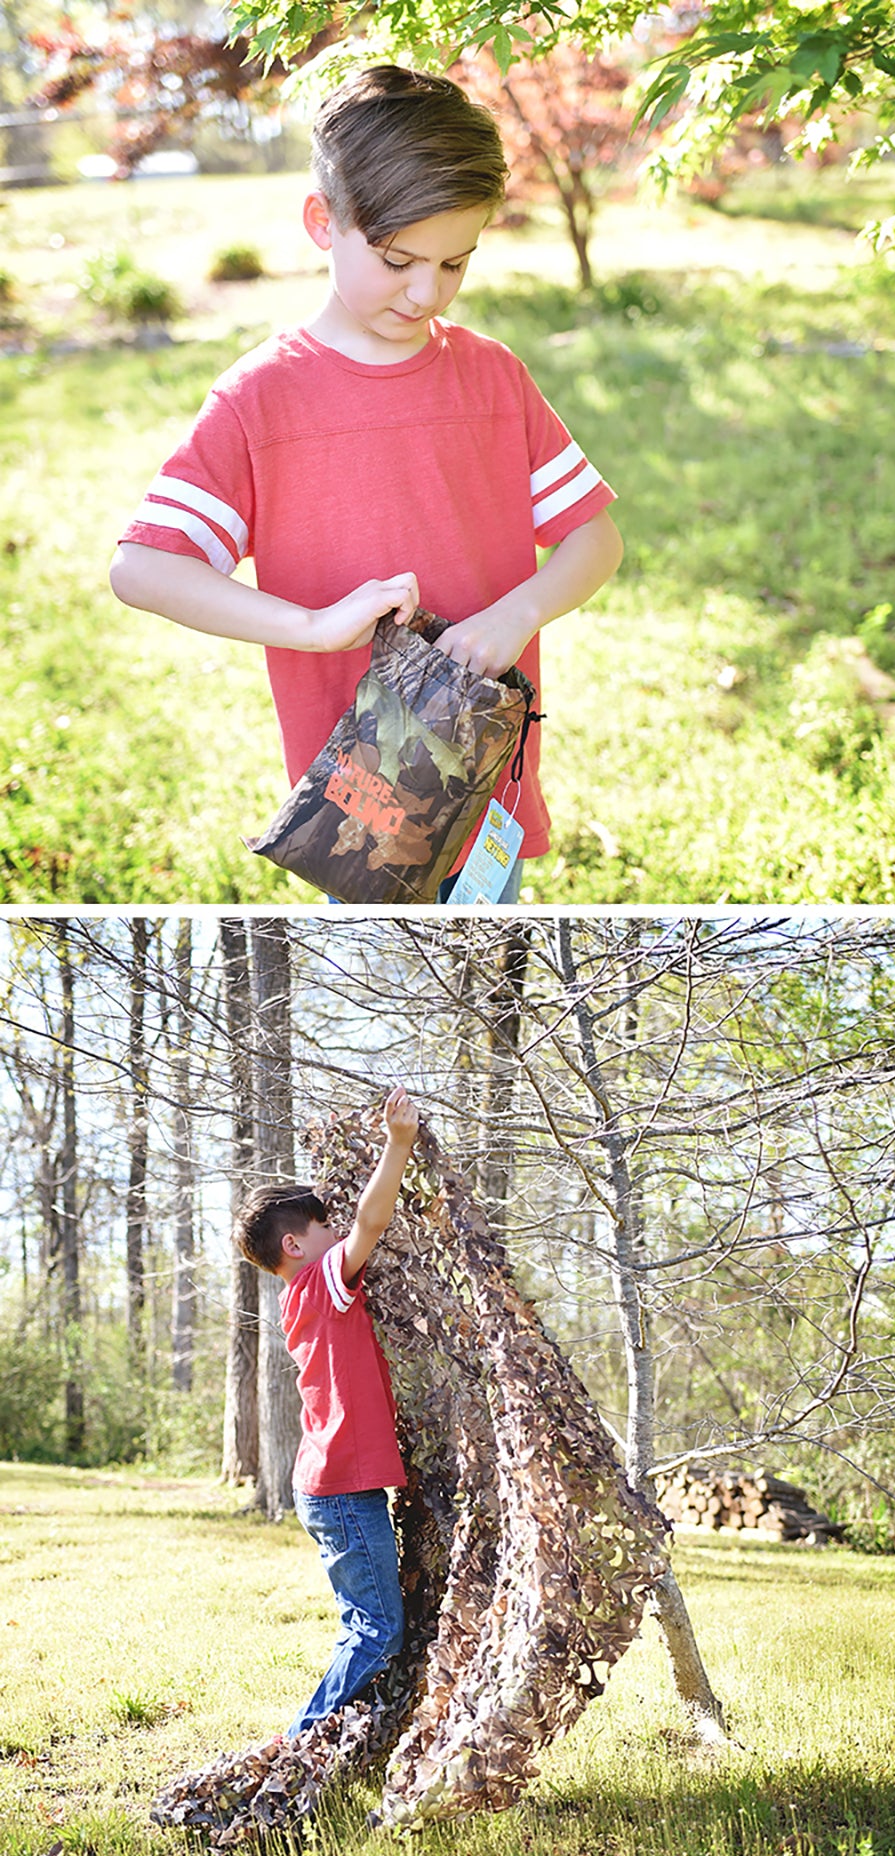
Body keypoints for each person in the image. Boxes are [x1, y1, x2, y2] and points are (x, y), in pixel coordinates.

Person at [108, 66, 623, 904]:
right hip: (360, 816)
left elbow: (595, 537)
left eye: (455, 263)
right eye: (397, 260)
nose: (426, 292)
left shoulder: (494, 379)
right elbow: (142, 568)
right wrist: (311, 628)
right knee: (378, 971)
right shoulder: (261, 400)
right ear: (324, 222)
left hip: (483, 781)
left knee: (482, 957)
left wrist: (519, 612)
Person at [233, 1086, 420, 1735]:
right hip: (340, 1489)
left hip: (334, 1485)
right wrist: (398, 1144)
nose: (337, 1232)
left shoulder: (302, 1295)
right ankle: (296, 1747)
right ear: (295, 1245)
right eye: (323, 1227)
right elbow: (371, 1222)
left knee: (370, 1626)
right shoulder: (320, 1284)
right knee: (376, 1631)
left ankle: (342, 1742)